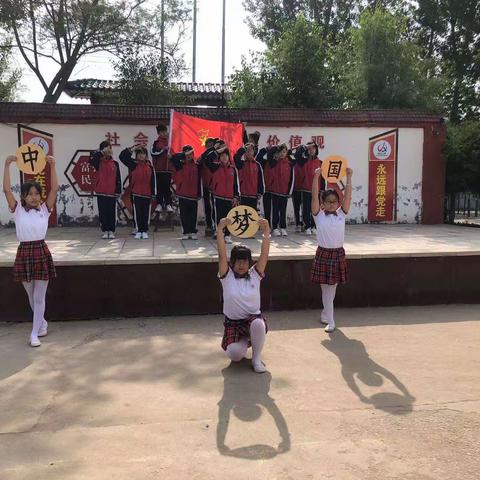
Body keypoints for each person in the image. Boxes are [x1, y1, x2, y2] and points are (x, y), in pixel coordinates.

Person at [3, 154, 58, 347]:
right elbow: (6, 190)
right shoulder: (17, 209)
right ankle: (41, 323)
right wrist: (7, 165)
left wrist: (52, 166)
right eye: (30, 194)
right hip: (24, 252)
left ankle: (34, 333)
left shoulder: (45, 209)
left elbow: (55, 189)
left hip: (40, 251)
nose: (34, 197)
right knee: (30, 295)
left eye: (37, 194)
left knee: (38, 296)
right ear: (24, 197)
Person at [217, 216, 270, 373]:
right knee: (235, 355)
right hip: (233, 323)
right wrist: (220, 230)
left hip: (253, 319)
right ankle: (247, 340)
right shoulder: (226, 276)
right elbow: (221, 256)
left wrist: (266, 232)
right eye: (238, 261)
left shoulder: (255, 274)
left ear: (249, 263)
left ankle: (256, 358)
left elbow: (264, 255)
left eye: (245, 261)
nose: (241, 265)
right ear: (231, 263)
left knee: (258, 324)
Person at [310, 167, 353, 332]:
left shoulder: (342, 214)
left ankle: (326, 313)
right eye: (328, 201)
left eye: (334, 201)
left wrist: (349, 177)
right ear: (323, 203)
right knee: (325, 288)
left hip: (337, 254)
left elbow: (348, 196)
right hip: (323, 253)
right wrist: (316, 177)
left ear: (338, 203)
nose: (331, 204)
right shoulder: (318, 215)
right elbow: (314, 195)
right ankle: (331, 320)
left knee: (332, 287)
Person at [119, 145, 156, 239]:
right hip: (136, 193)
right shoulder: (133, 164)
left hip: (147, 194)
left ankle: (145, 231)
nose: (141, 156)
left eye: (143, 154)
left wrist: (153, 194)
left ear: (146, 155)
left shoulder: (150, 167)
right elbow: (122, 157)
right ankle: (139, 230)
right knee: (138, 213)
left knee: (146, 214)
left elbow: (153, 181)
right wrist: (133, 148)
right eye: (139, 154)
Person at [206, 143, 240, 244]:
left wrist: (236, 196)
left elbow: (236, 184)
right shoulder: (215, 167)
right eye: (222, 156)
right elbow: (207, 159)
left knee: (229, 217)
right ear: (219, 157)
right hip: (218, 197)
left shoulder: (233, 169)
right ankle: (220, 233)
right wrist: (217, 151)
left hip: (230, 198)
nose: (224, 158)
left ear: (228, 157)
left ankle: (228, 235)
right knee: (219, 217)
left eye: (226, 156)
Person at [89, 140, 122, 239]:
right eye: (106, 148)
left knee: (111, 212)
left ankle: (111, 231)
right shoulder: (98, 163)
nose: (109, 150)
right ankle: (105, 231)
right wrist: (101, 152)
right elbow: (91, 159)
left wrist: (118, 191)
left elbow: (118, 178)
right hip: (101, 192)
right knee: (103, 212)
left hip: (111, 192)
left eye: (110, 148)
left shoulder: (115, 163)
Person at [170, 145, 202, 240]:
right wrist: (184, 154)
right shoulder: (179, 165)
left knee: (193, 214)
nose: (189, 156)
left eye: (191, 153)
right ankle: (186, 232)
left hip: (193, 194)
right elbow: (173, 158)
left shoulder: (197, 166)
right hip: (182, 193)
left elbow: (199, 180)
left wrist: (199, 193)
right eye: (187, 153)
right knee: (184, 214)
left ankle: (192, 231)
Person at [295, 141, 324, 235]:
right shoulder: (303, 161)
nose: (311, 150)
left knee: (315, 209)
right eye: (309, 149)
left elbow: (323, 178)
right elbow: (297, 155)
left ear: (316, 150)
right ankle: (307, 226)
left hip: (317, 190)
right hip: (306, 188)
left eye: (313, 148)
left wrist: (322, 190)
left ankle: (314, 226)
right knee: (306, 209)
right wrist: (302, 147)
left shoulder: (320, 162)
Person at [268, 144, 294, 236]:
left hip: (284, 191)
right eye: (280, 152)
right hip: (275, 190)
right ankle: (274, 228)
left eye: (284, 152)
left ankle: (283, 227)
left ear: (286, 153)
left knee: (283, 210)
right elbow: (270, 154)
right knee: (275, 210)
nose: (282, 154)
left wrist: (289, 191)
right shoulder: (274, 162)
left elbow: (291, 178)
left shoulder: (290, 164)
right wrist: (276, 148)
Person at [234, 142, 264, 210]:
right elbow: (236, 157)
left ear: (253, 152)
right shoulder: (241, 163)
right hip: (242, 195)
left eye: (250, 150)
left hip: (253, 195)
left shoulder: (257, 165)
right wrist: (242, 149)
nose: (249, 152)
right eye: (247, 151)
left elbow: (260, 179)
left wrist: (260, 192)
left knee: (252, 216)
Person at [151, 124, 173, 213]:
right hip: (158, 169)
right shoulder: (156, 143)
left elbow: (175, 153)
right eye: (162, 132)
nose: (164, 133)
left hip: (167, 169)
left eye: (165, 131)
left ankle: (168, 204)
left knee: (167, 187)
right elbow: (153, 153)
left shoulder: (171, 142)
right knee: (159, 187)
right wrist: (163, 150)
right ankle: (159, 204)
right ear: (159, 133)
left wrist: (171, 155)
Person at [200, 137, 217, 236]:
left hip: (215, 186)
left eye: (212, 145)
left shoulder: (217, 157)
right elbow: (200, 161)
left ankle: (216, 225)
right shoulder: (204, 156)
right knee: (207, 206)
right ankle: (209, 225)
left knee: (215, 207)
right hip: (206, 185)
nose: (210, 147)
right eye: (208, 145)